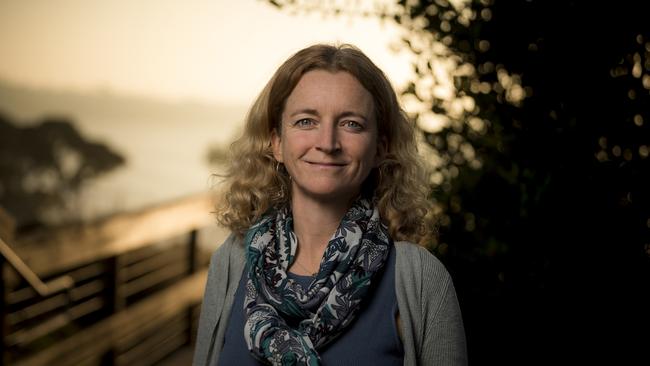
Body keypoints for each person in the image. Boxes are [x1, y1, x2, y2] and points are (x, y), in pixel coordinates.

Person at [193, 43, 467, 366]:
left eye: (351, 123)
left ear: (380, 148)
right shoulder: (231, 262)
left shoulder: (421, 280)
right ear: (277, 143)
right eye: (306, 121)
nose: (327, 143)